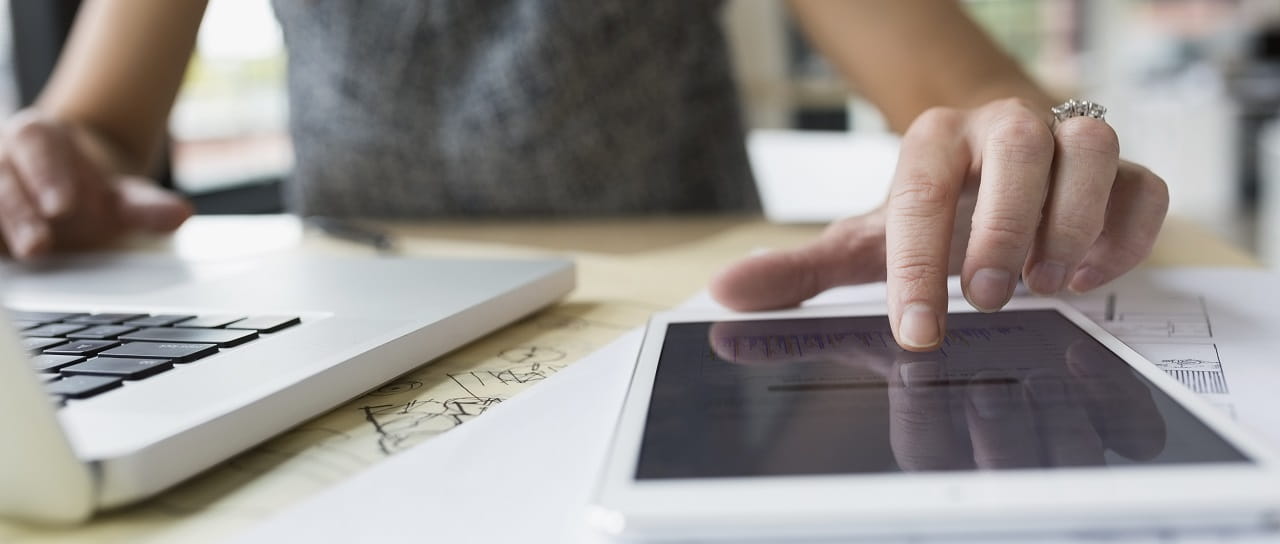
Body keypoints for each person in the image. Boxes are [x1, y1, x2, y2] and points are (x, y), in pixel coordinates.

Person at [0, 0, 1169, 352]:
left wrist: (1033, 144)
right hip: (347, 320)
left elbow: (977, 104)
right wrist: (47, 160)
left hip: (678, 322)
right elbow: (95, 131)